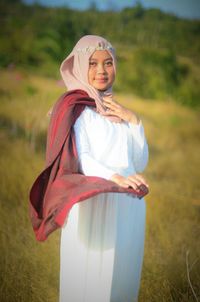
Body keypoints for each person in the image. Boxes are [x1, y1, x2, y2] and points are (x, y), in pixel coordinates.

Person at [29, 35, 149, 302]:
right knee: (90, 277)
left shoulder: (117, 110)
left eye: (108, 63)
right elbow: (82, 156)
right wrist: (114, 177)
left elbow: (139, 162)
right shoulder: (77, 109)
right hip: (94, 202)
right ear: (81, 66)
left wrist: (134, 121)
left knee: (120, 279)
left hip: (126, 204)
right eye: (93, 64)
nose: (101, 71)